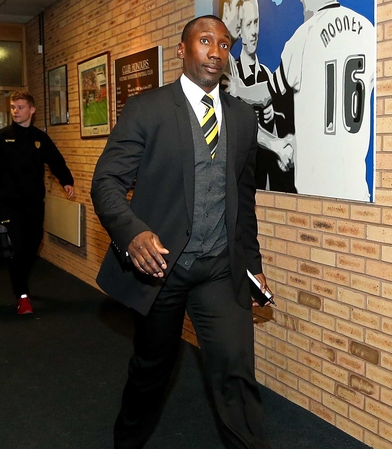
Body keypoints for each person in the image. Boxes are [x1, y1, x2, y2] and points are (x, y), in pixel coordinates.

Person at [91, 16, 272, 449]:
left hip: (218, 268)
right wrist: (132, 233)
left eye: (224, 45)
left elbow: (242, 200)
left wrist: (252, 265)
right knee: (153, 370)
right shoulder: (147, 109)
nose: (216, 51)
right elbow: (107, 182)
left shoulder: (243, 118)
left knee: (236, 369)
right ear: (182, 50)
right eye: (205, 41)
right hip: (162, 270)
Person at [269, 0, 375, 201]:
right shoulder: (368, 29)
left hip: (315, 195)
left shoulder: (305, 34)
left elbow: (266, 93)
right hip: (358, 193)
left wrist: (238, 90)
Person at [0, 91, 74, 315]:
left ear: (32, 110)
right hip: (8, 202)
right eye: (13, 107)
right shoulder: (2, 136)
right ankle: (22, 296)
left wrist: (66, 181)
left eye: (20, 107)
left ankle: (21, 279)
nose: (15, 111)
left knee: (34, 242)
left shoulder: (39, 137)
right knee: (17, 247)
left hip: (34, 202)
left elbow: (55, 160)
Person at [227, 0, 297, 193]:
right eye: (248, 24)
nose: (254, 31)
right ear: (239, 30)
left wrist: (273, 116)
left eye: (256, 22)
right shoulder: (231, 73)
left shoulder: (267, 74)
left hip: (270, 178)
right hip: (245, 176)